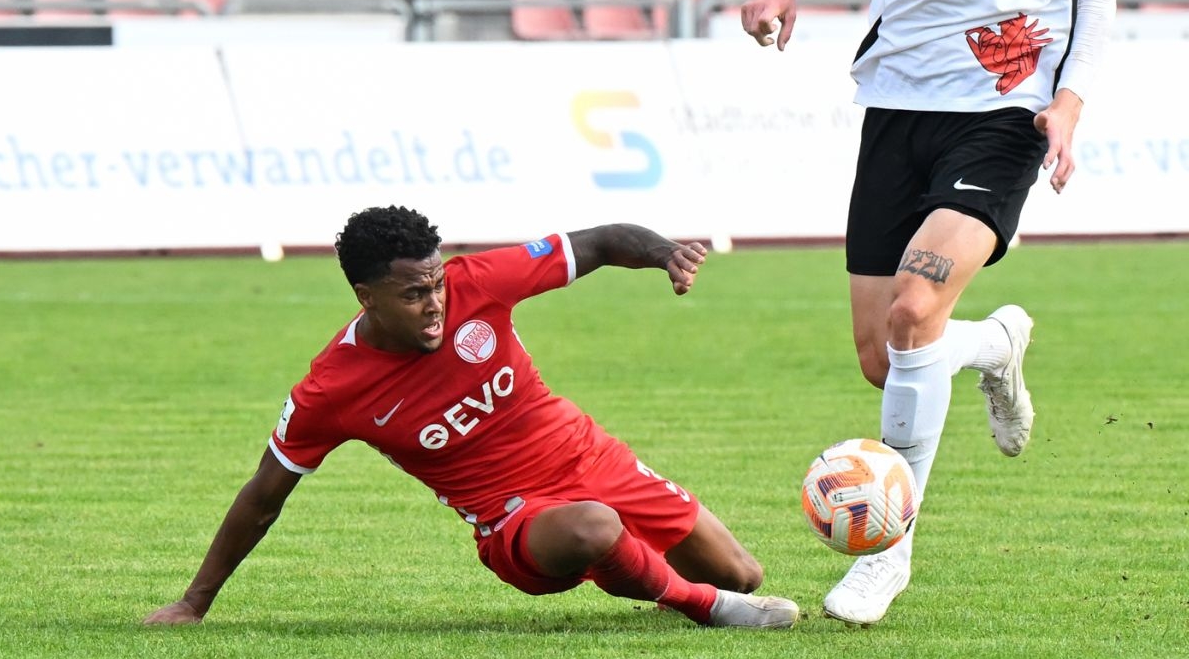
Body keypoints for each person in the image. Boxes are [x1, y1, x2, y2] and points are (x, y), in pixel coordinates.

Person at [740, 0, 1112, 624]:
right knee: (884, 354)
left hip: (1003, 107)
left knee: (913, 312)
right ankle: (994, 343)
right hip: (898, 103)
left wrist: (1069, 101)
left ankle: (886, 554)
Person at [144, 207, 799, 631]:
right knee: (596, 528)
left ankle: (650, 572)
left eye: (436, 285)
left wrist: (663, 253)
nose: (435, 304)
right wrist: (194, 602)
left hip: (593, 459)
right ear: (366, 297)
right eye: (413, 294)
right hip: (515, 520)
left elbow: (600, 242)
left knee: (743, 575)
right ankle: (696, 605)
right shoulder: (331, 390)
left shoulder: (479, 280)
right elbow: (263, 496)